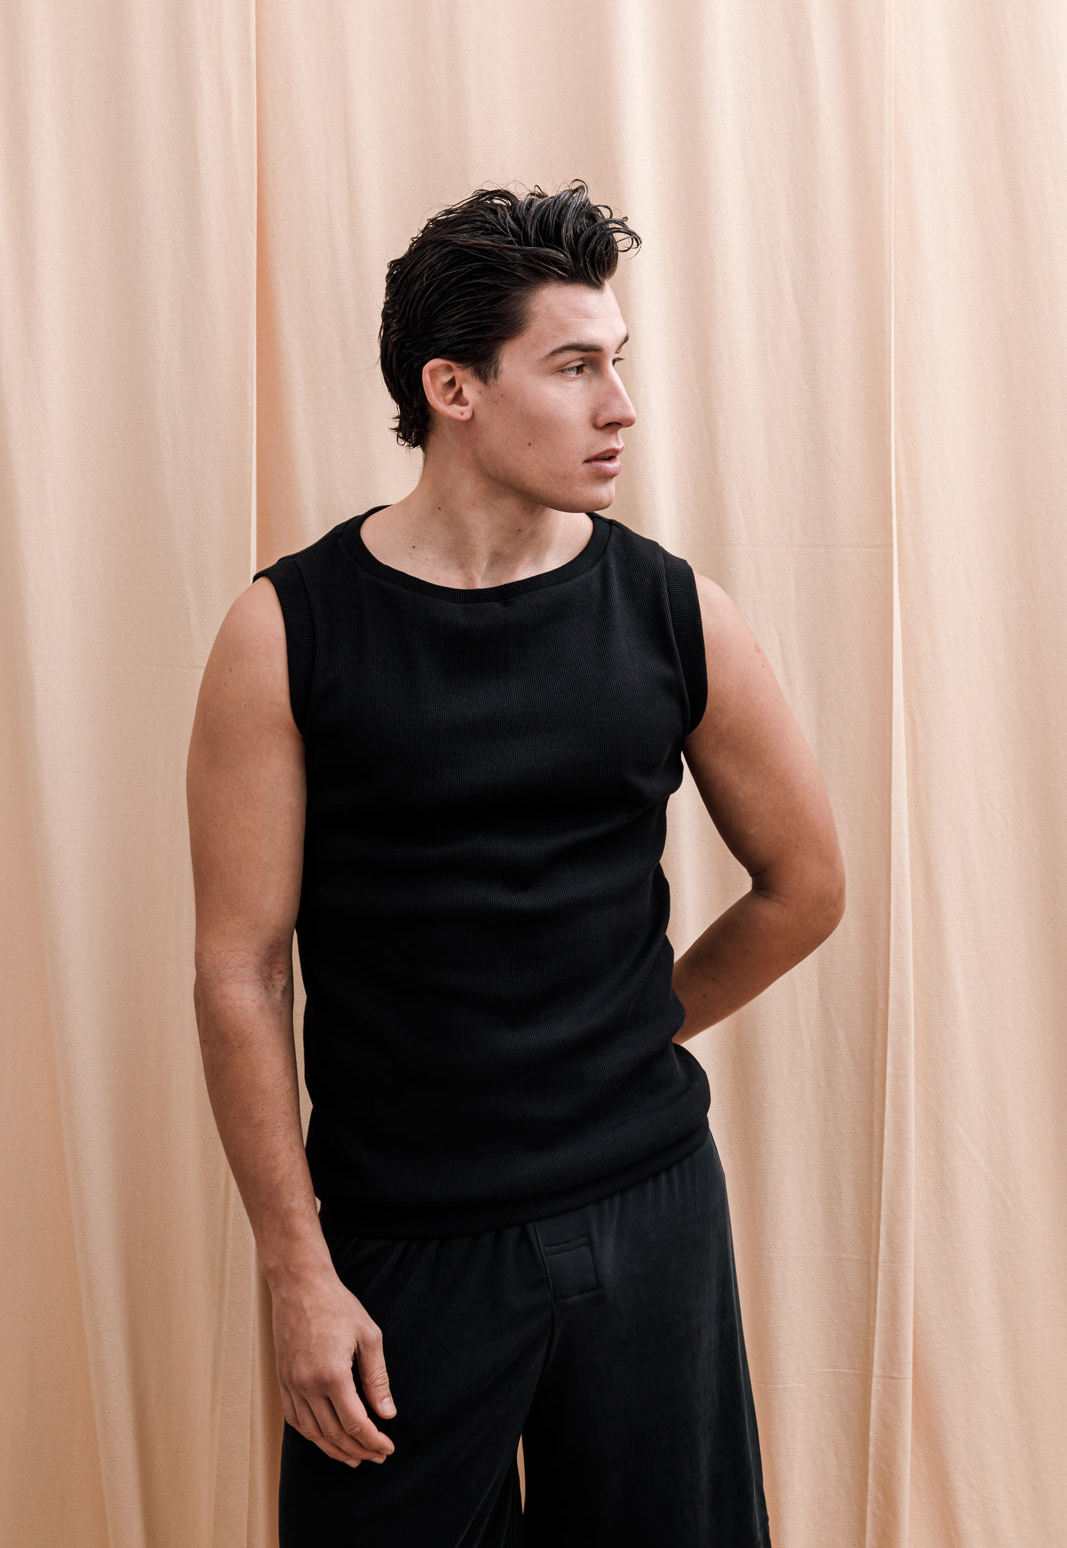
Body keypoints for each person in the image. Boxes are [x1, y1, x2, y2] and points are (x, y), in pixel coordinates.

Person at [186, 180, 845, 1548]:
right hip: (402, 1249)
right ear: (455, 389)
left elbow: (806, 887)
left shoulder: (673, 610)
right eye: (575, 366)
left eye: (619, 362)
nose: (622, 406)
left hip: (649, 1211)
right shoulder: (287, 631)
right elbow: (241, 971)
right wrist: (297, 1270)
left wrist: (631, 1028)